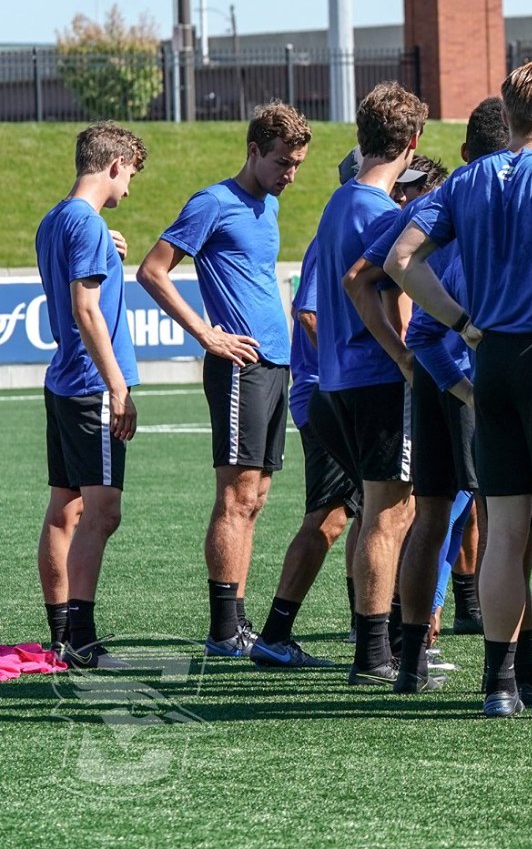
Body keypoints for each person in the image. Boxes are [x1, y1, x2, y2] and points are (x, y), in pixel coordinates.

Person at [389, 61, 532, 718]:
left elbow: (400, 259)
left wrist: (462, 322)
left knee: (505, 529)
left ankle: (499, 687)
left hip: (491, 361)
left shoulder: (465, 180)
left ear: (509, 114)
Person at [135, 104, 312, 657]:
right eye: (282, 162)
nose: (290, 173)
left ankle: (238, 624)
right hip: (239, 367)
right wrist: (207, 335)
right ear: (254, 150)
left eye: (298, 164)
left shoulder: (270, 204)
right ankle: (223, 629)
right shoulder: (213, 201)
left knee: (256, 497)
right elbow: (151, 270)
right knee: (236, 496)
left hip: (277, 363)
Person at [307, 83, 429, 688]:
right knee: (389, 516)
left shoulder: (337, 204)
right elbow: (372, 294)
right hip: (375, 379)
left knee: (379, 517)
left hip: (335, 382)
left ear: (361, 140)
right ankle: (374, 655)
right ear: (412, 143)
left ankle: (374, 648)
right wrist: (404, 357)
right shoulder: (386, 215)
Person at [249, 158, 366, 669]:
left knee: (362, 512)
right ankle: (276, 634)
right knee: (331, 515)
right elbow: (311, 313)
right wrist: (357, 358)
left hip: (337, 390)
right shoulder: (336, 232)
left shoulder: (351, 224)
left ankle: (369, 632)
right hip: (328, 394)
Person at [37, 123, 147, 669]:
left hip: (64, 381)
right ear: (113, 165)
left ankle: (62, 635)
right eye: (129, 174)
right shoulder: (85, 223)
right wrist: (118, 387)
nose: (128, 187)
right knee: (102, 513)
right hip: (89, 384)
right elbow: (86, 310)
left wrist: (108, 243)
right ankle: (80, 635)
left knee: (66, 508)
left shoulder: (58, 218)